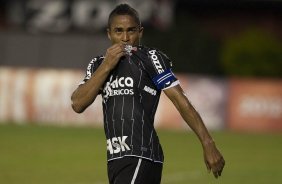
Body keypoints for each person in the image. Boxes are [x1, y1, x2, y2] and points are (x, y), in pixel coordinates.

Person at [71, 3, 225, 184]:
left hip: (142, 154)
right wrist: (107, 66)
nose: (125, 38)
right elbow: (77, 103)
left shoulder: (151, 58)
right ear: (109, 34)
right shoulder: (98, 64)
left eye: (131, 31)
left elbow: (180, 100)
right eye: (118, 31)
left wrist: (208, 143)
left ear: (140, 32)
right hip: (115, 158)